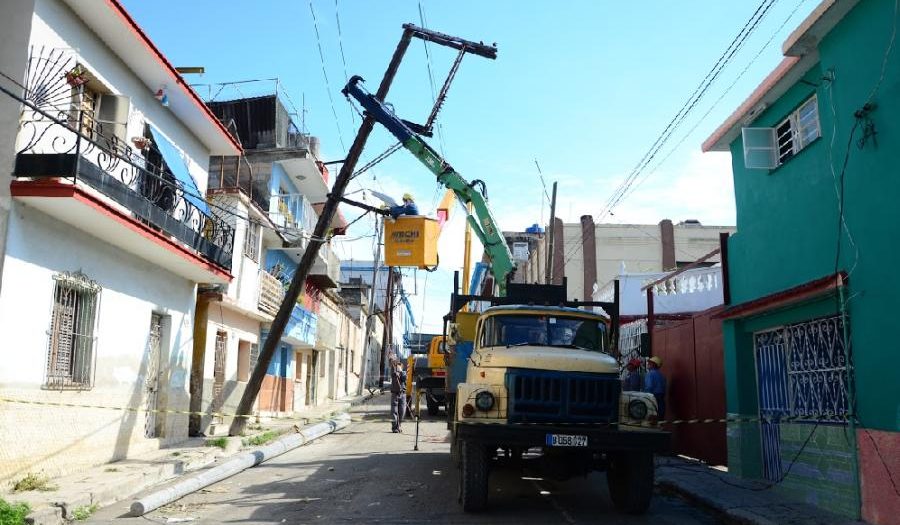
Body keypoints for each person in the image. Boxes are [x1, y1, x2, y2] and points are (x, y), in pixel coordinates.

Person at [389, 359, 407, 433]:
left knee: (402, 411)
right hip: (395, 394)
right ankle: (394, 427)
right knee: (394, 411)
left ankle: (399, 425)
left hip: (402, 393)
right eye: (397, 367)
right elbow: (392, 373)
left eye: (400, 368)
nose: (398, 369)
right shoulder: (393, 371)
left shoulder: (403, 372)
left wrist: (401, 373)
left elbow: (404, 379)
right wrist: (395, 373)